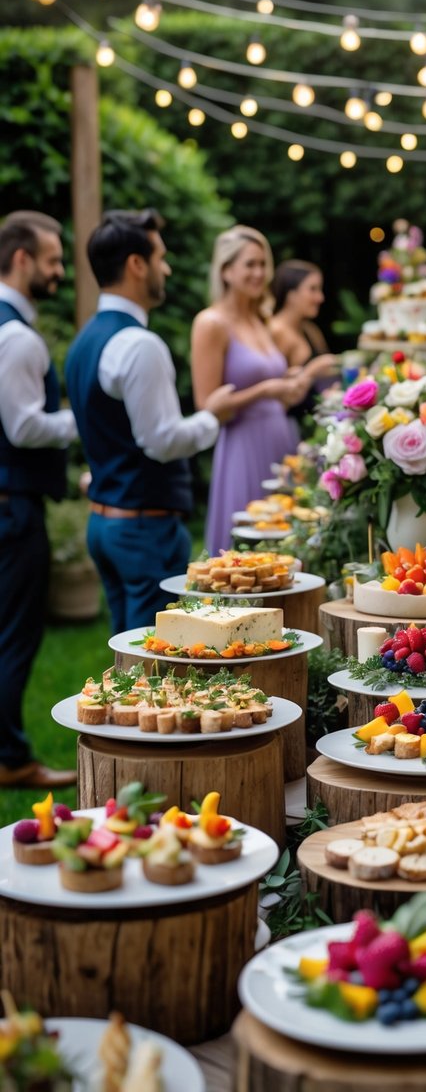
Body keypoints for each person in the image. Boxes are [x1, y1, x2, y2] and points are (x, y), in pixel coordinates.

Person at [65, 209, 234, 633]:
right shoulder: (140, 344)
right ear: (136, 265)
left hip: (105, 524)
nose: (167, 267)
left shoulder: (84, 339)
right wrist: (213, 418)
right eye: (160, 256)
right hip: (143, 530)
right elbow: (160, 440)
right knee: (150, 664)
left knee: (126, 652)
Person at [0, 211, 78, 788]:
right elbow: (24, 426)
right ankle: (10, 758)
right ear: (21, 258)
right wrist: (84, 423)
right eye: (52, 260)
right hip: (12, 503)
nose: (58, 271)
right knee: (13, 633)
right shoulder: (16, 335)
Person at [191, 227, 315, 554]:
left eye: (263, 264)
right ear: (226, 270)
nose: (259, 273)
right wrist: (264, 391)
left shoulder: (261, 319)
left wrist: (293, 382)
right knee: (248, 552)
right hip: (243, 446)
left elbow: (274, 386)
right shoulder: (211, 323)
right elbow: (206, 404)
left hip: (279, 440)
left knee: (286, 551)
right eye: (250, 264)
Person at [268, 258, 339, 422]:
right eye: (312, 289)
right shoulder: (275, 332)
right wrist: (311, 371)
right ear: (290, 294)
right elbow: (276, 399)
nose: (320, 298)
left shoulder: (310, 329)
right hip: (290, 425)